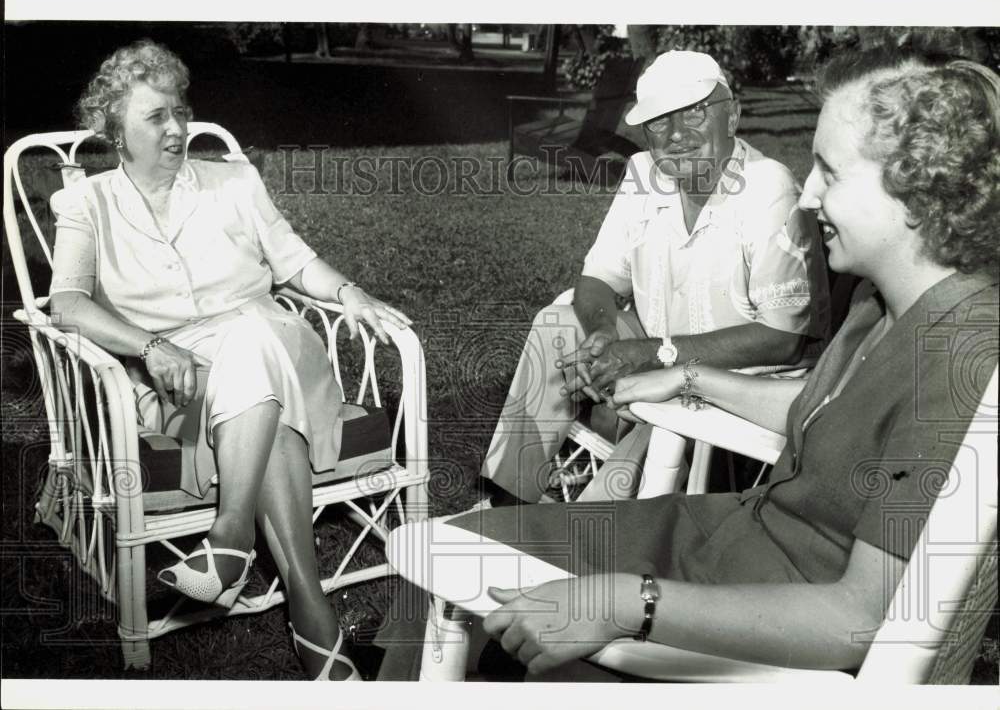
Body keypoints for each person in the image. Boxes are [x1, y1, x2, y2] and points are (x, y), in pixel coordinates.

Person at [377, 48, 998, 680]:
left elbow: (859, 621)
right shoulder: (878, 301)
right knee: (465, 543)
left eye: (829, 174)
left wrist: (626, 602)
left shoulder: (962, 358)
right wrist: (687, 374)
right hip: (728, 531)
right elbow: (827, 410)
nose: (808, 196)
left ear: (915, 186)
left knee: (478, 596)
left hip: (762, 602)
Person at [47, 40, 411, 681]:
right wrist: (152, 345)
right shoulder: (87, 203)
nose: (177, 128)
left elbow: (296, 263)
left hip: (280, 347)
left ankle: (230, 536)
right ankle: (309, 605)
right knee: (256, 399)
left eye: (181, 111)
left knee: (252, 335)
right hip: (191, 381)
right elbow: (68, 304)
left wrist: (351, 293)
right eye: (156, 116)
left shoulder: (234, 181)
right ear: (115, 129)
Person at [481, 50, 830, 506]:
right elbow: (598, 278)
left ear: (733, 117)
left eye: (694, 113)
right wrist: (604, 334)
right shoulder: (644, 171)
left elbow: (783, 338)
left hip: (743, 377)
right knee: (558, 328)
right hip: (659, 344)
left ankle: (589, 538)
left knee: (656, 427)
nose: (677, 135)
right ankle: (508, 497)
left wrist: (653, 354)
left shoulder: (767, 187)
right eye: (660, 121)